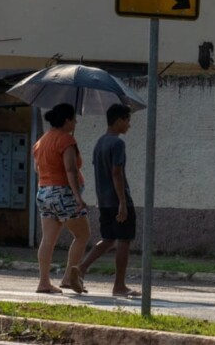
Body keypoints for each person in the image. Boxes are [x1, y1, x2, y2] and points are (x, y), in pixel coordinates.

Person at [78, 103, 141, 297]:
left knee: (107, 239)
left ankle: (80, 269)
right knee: (124, 240)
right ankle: (119, 286)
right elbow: (116, 173)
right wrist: (122, 202)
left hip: (104, 201)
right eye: (128, 120)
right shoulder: (117, 143)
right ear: (119, 120)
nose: (129, 125)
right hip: (117, 200)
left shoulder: (99, 143)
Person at [33, 103, 90, 294]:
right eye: (74, 118)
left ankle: (44, 282)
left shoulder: (41, 141)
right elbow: (70, 170)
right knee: (82, 235)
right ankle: (68, 277)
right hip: (63, 194)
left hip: (43, 192)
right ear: (66, 120)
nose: (76, 122)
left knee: (48, 239)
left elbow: (37, 169)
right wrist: (77, 196)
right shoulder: (66, 141)